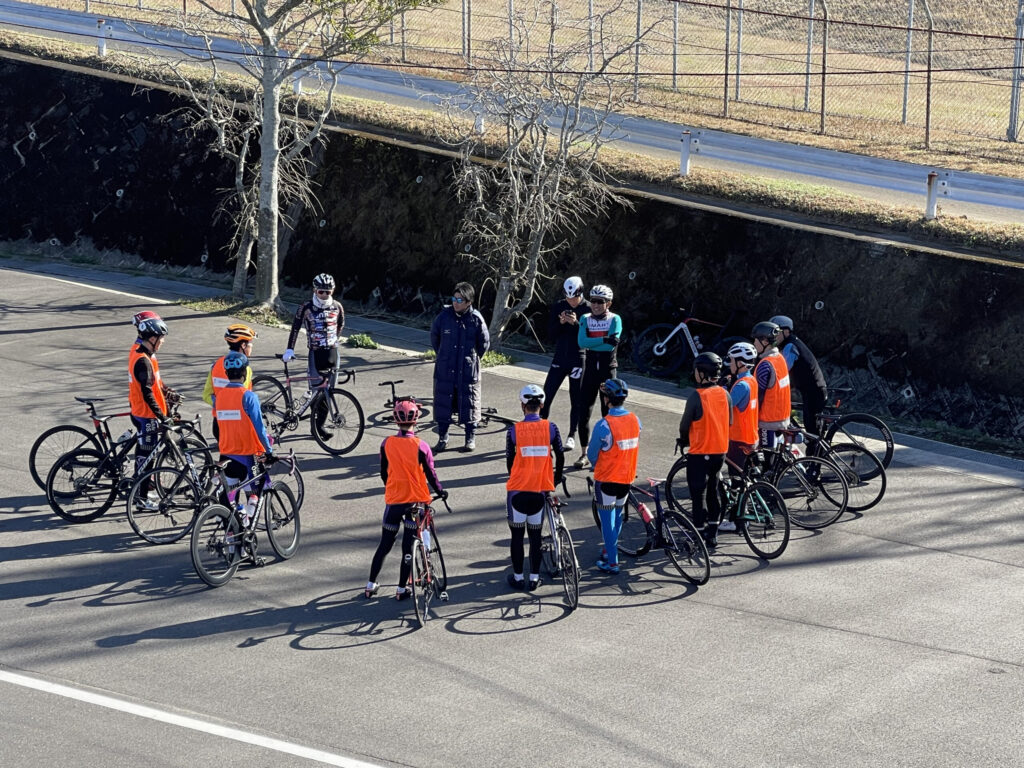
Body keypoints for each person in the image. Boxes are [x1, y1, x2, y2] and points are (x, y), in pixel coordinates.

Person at [365, 398, 446, 601]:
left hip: (394, 501)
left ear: (395, 419)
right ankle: (401, 589)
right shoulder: (422, 446)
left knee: (385, 543)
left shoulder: (386, 444)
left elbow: (384, 473)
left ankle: (370, 584)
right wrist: (441, 491)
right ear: (416, 420)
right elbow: (431, 474)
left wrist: (393, 488)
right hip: (416, 503)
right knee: (408, 546)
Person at [505, 384, 565, 591]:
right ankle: (534, 578)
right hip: (540, 490)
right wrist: (554, 479)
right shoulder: (551, 428)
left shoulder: (514, 430)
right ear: (542, 404)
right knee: (536, 537)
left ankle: (518, 577)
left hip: (517, 492)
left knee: (516, 537)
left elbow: (509, 461)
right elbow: (560, 454)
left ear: (523, 405)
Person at [677, 352, 732, 550]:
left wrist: (683, 440)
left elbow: (685, 425)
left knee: (698, 495)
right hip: (720, 452)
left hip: (700, 452)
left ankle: (698, 533)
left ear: (701, 373)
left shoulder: (696, 396)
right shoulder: (725, 394)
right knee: (713, 489)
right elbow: (730, 421)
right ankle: (713, 534)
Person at [587, 378, 640, 575]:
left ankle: (612, 561)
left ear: (606, 399)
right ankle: (609, 551)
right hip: (626, 478)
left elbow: (592, 454)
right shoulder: (635, 419)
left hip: (607, 479)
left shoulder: (604, 425)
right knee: (617, 516)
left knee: (607, 520)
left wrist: (595, 465)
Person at [430, 281, 490, 453]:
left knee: (470, 403)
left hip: (467, 370)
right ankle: (443, 437)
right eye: (454, 299)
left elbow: (484, 344)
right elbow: (435, 338)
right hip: (445, 368)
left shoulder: (476, 319)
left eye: (460, 300)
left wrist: (471, 359)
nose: (455, 303)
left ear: (469, 302)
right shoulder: (444, 316)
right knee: (443, 403)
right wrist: (443, 355)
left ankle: (470, 438)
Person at [213, 351, 275, 506]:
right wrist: (268, 451)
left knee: (230, 500)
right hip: (247, 455)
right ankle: (247, 527)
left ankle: (232, 529)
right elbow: (259, 428)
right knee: (253, 499)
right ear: (245, 372)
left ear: (227, 373)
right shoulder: (248, 396)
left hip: (227, 453)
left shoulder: (219, 396)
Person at [574, 284, 622, 469]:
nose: (595, 305)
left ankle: (606, 453)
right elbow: (582, 342)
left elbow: (612, 346)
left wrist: (596, 342)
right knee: (583, 412)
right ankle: (584, 453)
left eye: (600, 302)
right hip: (590, 370)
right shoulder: (585, 318)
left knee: (607, 413)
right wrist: (603, 339)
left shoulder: (615, 319)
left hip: (608, 370)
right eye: (593, 301)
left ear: (608, 303)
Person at [128, 315, 178, 492]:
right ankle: (141, 497)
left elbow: (154, 383)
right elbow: (147, 393)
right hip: (145, 414)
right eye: (161, 338)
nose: (163, 341)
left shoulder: (143, 354)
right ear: (152, 338)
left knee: (145, 451)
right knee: (146, 456)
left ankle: (143, 486)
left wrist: (166, 391)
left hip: (140, 411)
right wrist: (162, 416)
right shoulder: (143, 361)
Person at [540, 276, 588, 453]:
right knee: (547, 394)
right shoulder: (559, 306)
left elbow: (587, 336)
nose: (571, 302)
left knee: (576, 399)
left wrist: (576, 323)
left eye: (574, 298)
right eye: (568, 298)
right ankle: (542, 430)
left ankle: (571, 435)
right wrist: (560, 323)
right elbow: (551, 334)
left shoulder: (588, 309)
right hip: (560, 357)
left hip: (578, 358)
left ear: (580, 293)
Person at [283, 273, 344, 402]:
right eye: (321, 291)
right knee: (316, 392)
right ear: (314, 290)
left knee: (329, 392)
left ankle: (318, 421)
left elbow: (341, 324)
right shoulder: (306, 307)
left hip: (333, 352)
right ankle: (312, 412)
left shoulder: (337, 306)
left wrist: (334, 338)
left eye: (328, 292)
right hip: (315, 353)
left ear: (332, 290)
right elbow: (295, 328)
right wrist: (290, 349)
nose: (324, 295)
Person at [771, 315, 828, 435]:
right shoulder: (790, 343)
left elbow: (783, 370)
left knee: (812, 430)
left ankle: (817, 453)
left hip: (814, 391)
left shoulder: (790, 346)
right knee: (813, 428)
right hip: (812, 389)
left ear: (786, 331)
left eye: (777, 332)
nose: (774, 336)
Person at [203, 324, 256, 439]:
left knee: (225, 455)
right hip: (238, 425)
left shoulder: (216, 365)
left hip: (219, 423)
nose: (252, 347)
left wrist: (222, 406)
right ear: (243, 345)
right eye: (250, 344)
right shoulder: (245, 369)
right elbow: (247, 400)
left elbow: (206, 395)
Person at [752, 320, 791, 451]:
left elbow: (757, 397)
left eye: (755, 340)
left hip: (767, 423)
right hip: (783, 419)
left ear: (764, 341)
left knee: (766, 465)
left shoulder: (765, 365)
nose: (753, 343)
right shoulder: (779, 358)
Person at [724, 341, 759, 475]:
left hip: (739, 439)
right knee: (743, 475)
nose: (729, 364)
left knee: (735, 478)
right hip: (750, 437)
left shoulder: (741, 386)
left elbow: (725, 407)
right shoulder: (751, 380)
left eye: (732, 360)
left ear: (740, 363)